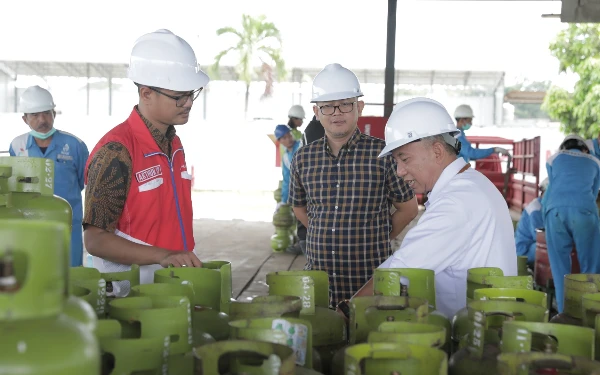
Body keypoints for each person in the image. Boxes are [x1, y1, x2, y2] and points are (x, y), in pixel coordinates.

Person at [346, 97, 517, 319]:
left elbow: (398, 274)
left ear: (437, 151)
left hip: (468, 335)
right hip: (483, 324)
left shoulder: (455, 203)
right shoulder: (473, 184)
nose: (399, 171)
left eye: (404, 159)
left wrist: (347, 311)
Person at [83, 29, 207, 294]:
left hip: (171, 284)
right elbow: (95, 240)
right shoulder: (116, 151)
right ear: (147, 93)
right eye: (179, 96)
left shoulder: (174, 144)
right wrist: (162, 255)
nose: (188, 103)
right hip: (132, 296)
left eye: (191, 94)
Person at [289, 63, 418, 309]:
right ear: (317, 112)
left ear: (359, 107)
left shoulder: (383, 154)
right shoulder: (303, 157)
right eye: (328, 106)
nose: (337, 112)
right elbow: (299, 208)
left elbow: (408, 209)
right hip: (320, 281)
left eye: (345, 104)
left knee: (368, 342)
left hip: (369, 280)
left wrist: (378, 237)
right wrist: (322, 232)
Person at [9, 85, 89, 267]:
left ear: (54, 113)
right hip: (31, 224)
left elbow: (83, 182)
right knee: (36, 272)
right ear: (25, 119)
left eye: (46, 113)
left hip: (68, 224)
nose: (42, 120)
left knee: (70, 274)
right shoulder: (17, 146)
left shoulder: (75, 145)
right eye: (35, 115)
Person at [542, 134, 600, 313]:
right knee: (590, 266)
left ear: (564, 148)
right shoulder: (595, 162)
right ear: (584, 148)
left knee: (560, 268)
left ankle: (563, 313)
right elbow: (594, 191)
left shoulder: (553, 160)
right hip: (584, 212)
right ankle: (589, 311)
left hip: (555, 212)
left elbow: (552, 188)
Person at [274, 124, 303, 255]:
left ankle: (305, 243)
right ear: (280, 141)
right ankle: (303, 242)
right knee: (300, 217)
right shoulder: (286, 157)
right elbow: (287, 180)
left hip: (310, 189)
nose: (288, 139)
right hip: (300, 192)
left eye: (289, 135)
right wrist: (283, 200)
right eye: (284, 138)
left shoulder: (302, 146)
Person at [515, 178, 548, 267]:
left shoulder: (545, 206)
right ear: (544, 192)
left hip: (532, 246)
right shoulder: (536, 209)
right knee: (550, 248)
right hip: (524, 251)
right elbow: (539, 237)